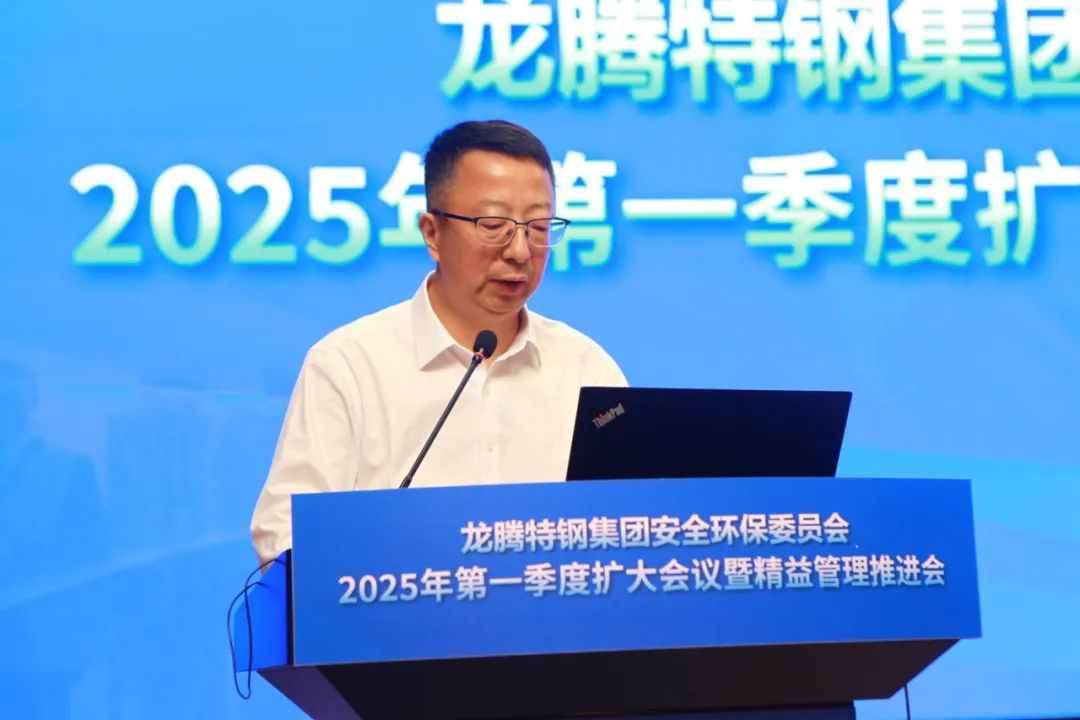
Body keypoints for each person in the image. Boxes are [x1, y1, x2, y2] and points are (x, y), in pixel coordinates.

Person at [250, 120, 626, 565]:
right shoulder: (349, 365)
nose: (520, 251)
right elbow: (285, 537)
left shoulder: (585, 368)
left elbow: (631, 523)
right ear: (432, 233)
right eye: (494, 225)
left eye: (539, 226)